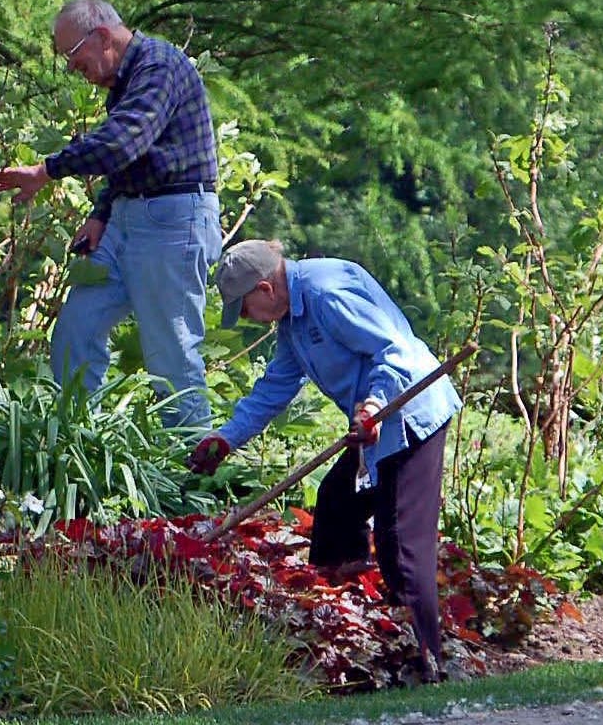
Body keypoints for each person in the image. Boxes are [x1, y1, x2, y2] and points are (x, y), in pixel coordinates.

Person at [187, 239, 463, 680]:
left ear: (265, 288)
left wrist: (373, 405)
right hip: (374, 422)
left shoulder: (325, 294)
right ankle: (354, 625)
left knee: (401, 543)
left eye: (243, 308)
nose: (245, 318)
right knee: (335, 504)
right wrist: (226, 439)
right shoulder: (292, 322)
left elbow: (395, 350)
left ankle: (429, 659)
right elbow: (275, 388)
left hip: (409, 412)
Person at [0, 0, 222, 429]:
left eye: (75, 59)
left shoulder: (159, 66)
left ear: (102, 36)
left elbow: (122, 143)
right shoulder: (125, 83)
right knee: (76, 329)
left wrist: (46, 169)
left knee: (171, 354)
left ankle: (194, 480)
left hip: (174, 220)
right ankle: (78, 446)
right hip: (129, 218)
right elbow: (132, 161)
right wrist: (102, 212)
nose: (76, 72)